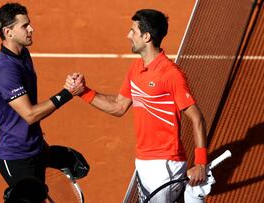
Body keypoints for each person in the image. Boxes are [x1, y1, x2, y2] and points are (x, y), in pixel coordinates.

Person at [66, 9, 208, 202]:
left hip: (165, 163)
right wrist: (84, 92)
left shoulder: (170, 74)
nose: (128, 35)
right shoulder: (136, 69)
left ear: (147, 36)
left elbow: (197, 117)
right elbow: (118, 106)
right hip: (144, 161)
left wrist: (200, 163)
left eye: (133, 31)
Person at [0, 2, 84, 187]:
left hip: (34, 146)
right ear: (8, 32)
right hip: (14, 155)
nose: (31, 29)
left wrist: (41, 145)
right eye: (24, 26)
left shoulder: (23, 54)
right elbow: (30, 114)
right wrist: (67, 93)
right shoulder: (4, 69)